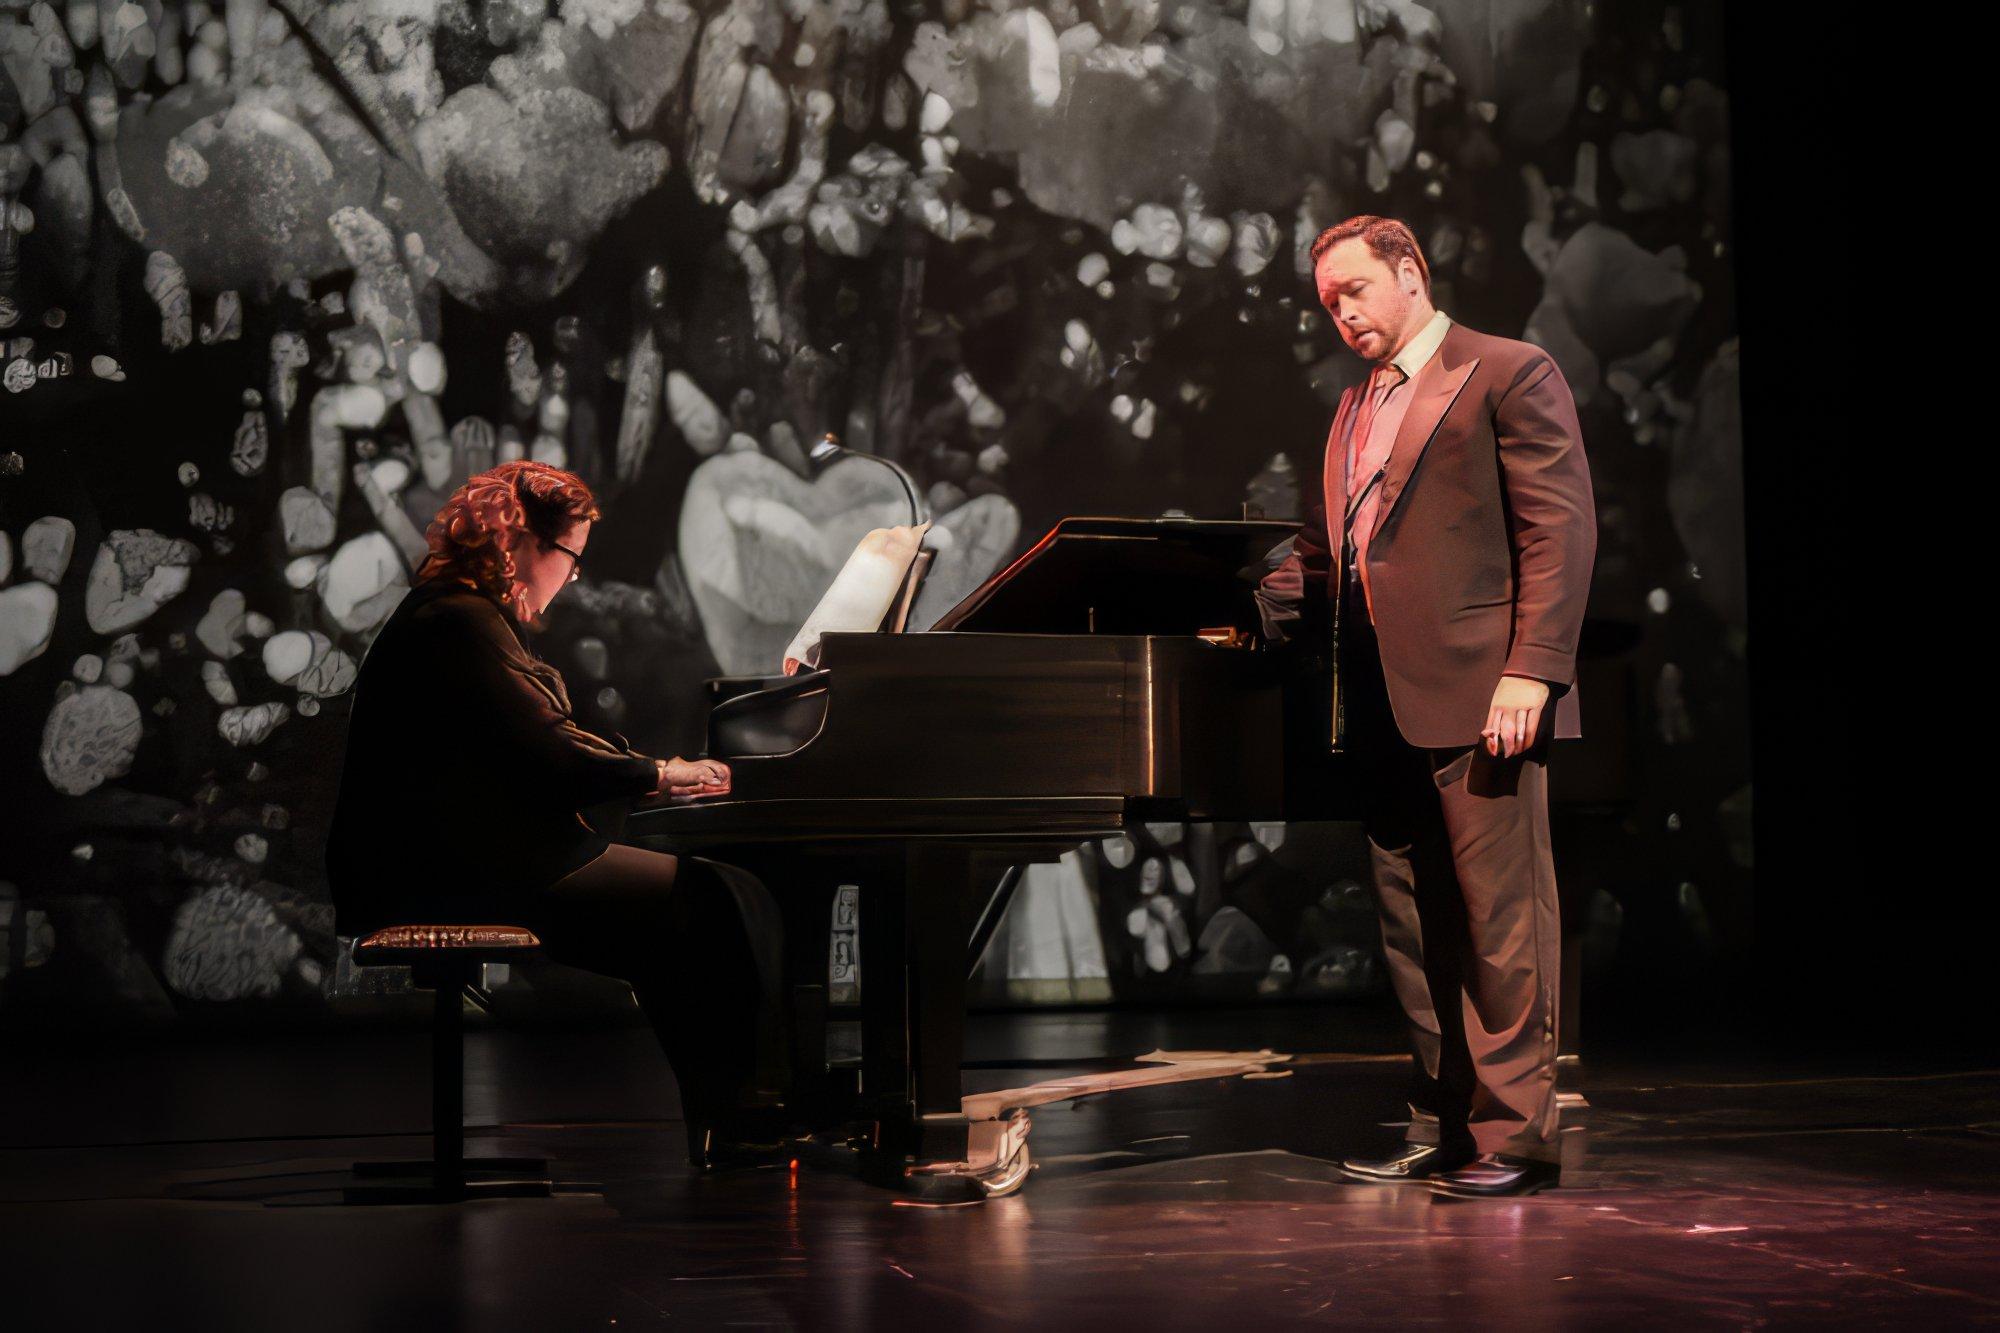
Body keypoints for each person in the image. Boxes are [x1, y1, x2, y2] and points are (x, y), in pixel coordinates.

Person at [1258, 216, 1596, 1198]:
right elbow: (1345, 550)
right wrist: (1251, 584)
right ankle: (1441, 1123)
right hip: (1378, 702)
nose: (1342, 314)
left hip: (1482, 691)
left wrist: (1531, 668)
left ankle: (1513, 1136)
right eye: (1328, 303)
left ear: (1409, 271)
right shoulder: (1355, 405)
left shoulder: (1505, 370)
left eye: (1355, 291)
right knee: (1411, 928)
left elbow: (1556, 532)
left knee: (1500, 925)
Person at [325, 460, 788, 1168]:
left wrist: (645, 772)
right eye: (570, 555)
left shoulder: (458, 614)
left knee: (684, 920)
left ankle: (729, 1118)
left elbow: (544, 736)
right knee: (713, 896)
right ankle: (747, 1111)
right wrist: (659, 773)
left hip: (458, 859)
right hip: (451, 871)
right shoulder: (457, 619)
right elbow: (547, 750)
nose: (573, 576)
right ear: (520, 543)